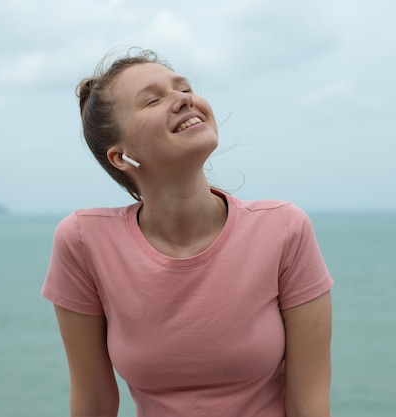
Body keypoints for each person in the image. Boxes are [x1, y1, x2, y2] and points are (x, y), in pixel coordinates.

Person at [42, 48, 334, 417]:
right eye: (153, 100)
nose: (183, 99)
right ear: (121, 157)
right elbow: (94, 402)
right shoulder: (83, 242)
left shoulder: (285, 229)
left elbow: (310, 406)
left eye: (184, 88)